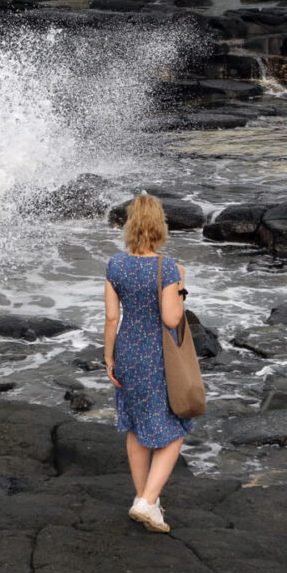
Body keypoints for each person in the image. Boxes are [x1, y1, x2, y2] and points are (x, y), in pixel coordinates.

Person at [104, 193, 192, 533]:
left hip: (127, 350)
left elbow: (112, 318)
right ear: (159, 225)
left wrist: (109, 357)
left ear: (130, 225)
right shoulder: (167, 267)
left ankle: (145, 500)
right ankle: (147, 500)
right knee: (175, 430)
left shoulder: (115, 264)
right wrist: (181, 285)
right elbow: (172, 319)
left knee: (137, 427)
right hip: (158, 357)